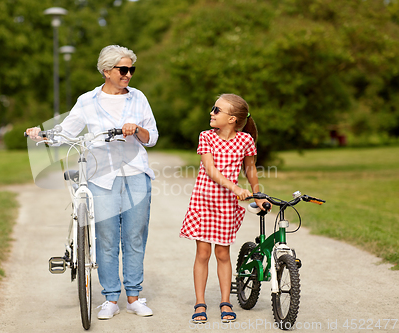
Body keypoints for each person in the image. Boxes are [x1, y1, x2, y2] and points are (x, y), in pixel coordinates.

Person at [26, 45, 158, 320]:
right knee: (106, 239)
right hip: (101, 176)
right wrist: (42, 134)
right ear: (106, 71)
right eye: (123, 69)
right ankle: (110, 298)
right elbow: (66, 132)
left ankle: (134, 296)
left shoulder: (138, 98)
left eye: (131, 69)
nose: (129, 74)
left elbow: (153, 136)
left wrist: (138, 129)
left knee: (134, 238)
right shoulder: (87, 100)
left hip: (135, 174)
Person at [179, 94, 267, 324]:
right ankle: (200, 303)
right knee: (203, 253)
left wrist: (257, 196)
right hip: (204, 201)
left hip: (226, 205)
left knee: (222, 254)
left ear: (232, 119)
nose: (211, 113)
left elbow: (251, 170)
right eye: (213, 108)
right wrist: (234, 186)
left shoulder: (245, 141)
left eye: (217, 110)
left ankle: (226, 301)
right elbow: (210, 170)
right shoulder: (206, 137)